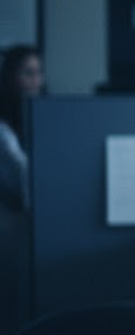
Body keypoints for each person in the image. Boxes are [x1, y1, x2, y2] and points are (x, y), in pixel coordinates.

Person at [0, 45, 44, 211]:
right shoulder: (3, 130)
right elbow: (24, 176)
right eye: (28, 73)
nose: (36, 81)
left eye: (39, 72)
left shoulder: (46, 119)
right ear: (11, 78)